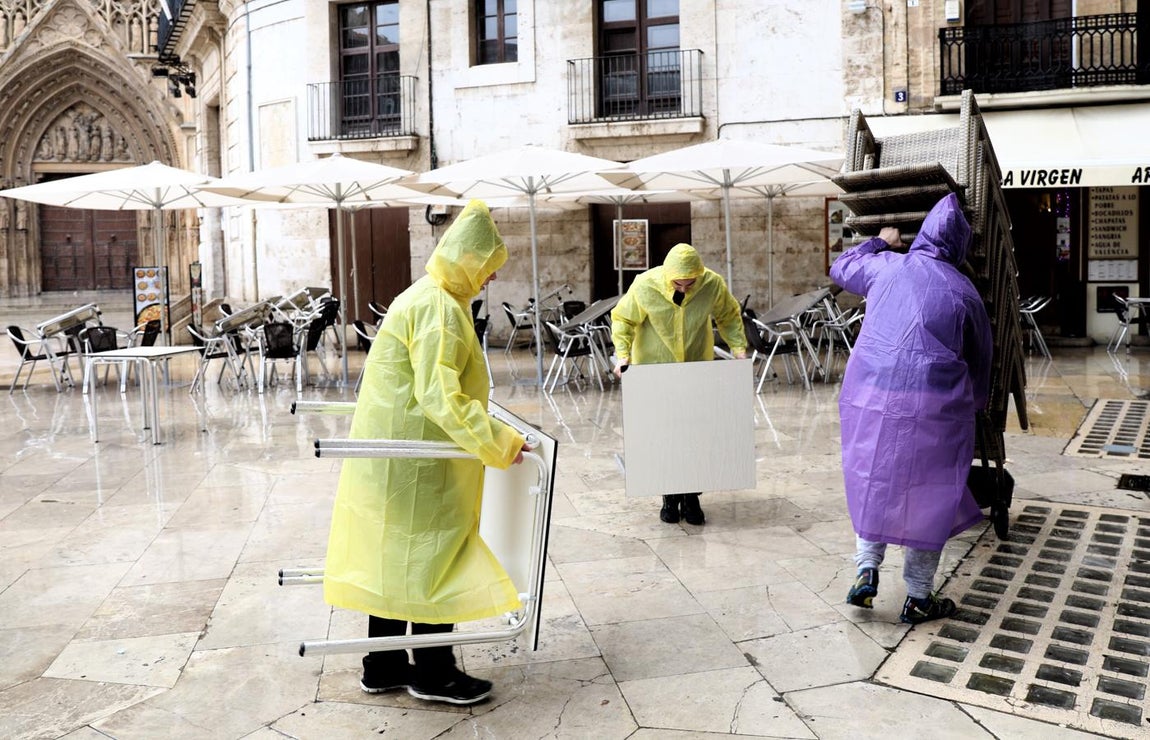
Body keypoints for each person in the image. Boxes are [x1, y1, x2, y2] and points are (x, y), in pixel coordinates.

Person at [324, 199, 530, 705]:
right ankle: (435, 673)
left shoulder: (426, 295)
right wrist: (499, 443)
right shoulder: (438, 309)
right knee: (435, 562)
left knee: (392, 558)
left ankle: (384, 665)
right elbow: (442, 396)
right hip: (420, 460)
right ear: (467, 261)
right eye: (486, 270)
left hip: (396, 457)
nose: (488, 281)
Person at [829, 193, 992, 625]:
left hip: (871, 397)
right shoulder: (965, 291)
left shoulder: (887, 267)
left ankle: (866, 570)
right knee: (931, 495)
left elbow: (840, 269)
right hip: (936, 406)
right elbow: (980, 360)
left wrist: (880, 242)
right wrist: (975, 406)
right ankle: (918, 596)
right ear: (958, 246)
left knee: (873, 479)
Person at [610, 242, 748, 525]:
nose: (684, 289)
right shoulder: (645, 285)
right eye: (679, 284)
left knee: (696, 435)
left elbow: (729, 315)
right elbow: (623, 319)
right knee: (664, 435)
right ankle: (669, 497)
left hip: (696, 370)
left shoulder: (711, 284)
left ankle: (692, 496)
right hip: (655, 371)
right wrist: (622, 355)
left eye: (690, 284)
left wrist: (738, 348)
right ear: (667, 275)